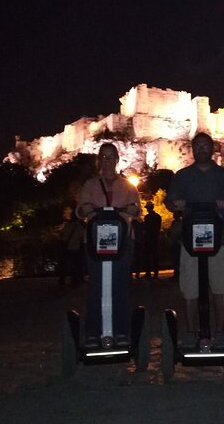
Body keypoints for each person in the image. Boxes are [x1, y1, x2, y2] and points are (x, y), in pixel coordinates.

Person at [166, 132, 224, 347]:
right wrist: (176, 204)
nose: (201, 149)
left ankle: (219, 332)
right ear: (192, 149)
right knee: (190, 288)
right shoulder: (182, 176)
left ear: (212, 148)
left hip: (221, 240)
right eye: (197, 146)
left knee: (222, 286)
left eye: (205, 145)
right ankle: (190, 331)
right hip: (190, 242)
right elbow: (170, 202)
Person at [76, 143, 141, 348]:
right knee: (96, 285)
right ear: (99, 160)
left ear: (117, 160)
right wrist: (86, 209)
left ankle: (122, 331)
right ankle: (93, 333)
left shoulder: (128, 186)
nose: (108, 160)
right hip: (96, 242)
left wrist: (132, 209)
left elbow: (137, 210)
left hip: (122, 241)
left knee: (121, 285)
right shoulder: (90, 185)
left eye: (111, 156)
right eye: (104, 157)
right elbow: (80, 209)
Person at [59, 208, 85, 286]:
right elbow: (82, 237)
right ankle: (75, 280)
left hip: (66, 247)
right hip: (76, 248)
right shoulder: (79, 227)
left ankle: (62, 279)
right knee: (76, 265)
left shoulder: (67, 225)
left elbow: (62, 235)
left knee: (65, 264)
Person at [142, 201, 161, 279]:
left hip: (149, 238)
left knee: (149, 256)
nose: (147, 209)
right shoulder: (157, 216)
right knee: (154, 256)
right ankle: (155, 272)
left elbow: (146, 228)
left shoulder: (148, 217)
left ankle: (148, 273)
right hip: (154, 238)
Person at [168, 210, 183, 281]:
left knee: (178, 259)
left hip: (178, 243)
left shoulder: (181, 223)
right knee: (175, 259)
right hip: (174, 243)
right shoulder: (174, 222)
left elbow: (180, 233)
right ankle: (176, 273)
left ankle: (178, 274)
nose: (173, 215)